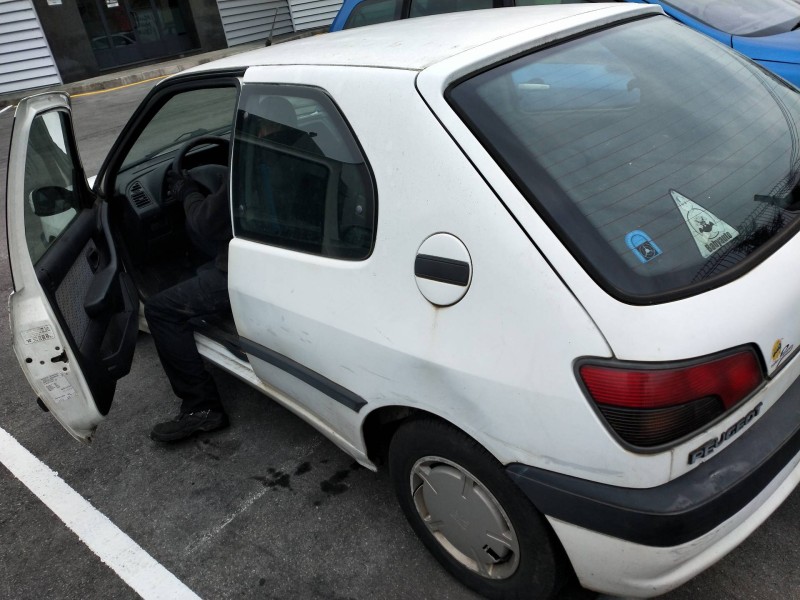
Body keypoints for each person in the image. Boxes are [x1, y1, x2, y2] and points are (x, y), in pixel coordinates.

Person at [144, 168, 232, 442]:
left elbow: (204, 223)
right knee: (201, 270)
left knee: (160, 310)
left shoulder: (252, 162)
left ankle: (202, 407)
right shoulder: (307, 145)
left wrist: (187, 191)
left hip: (251, 271)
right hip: (293, 244)